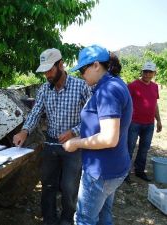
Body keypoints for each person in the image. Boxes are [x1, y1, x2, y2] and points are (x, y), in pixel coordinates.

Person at [13, 48, 91, 225]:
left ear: (61, 65)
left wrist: (73, 132)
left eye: (50, 70)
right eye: (45, 71)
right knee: (48, 184)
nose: (47, 75)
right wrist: (24, 131)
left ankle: (66, 219)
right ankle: (49, 219)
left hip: (74, 145)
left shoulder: (81, 87)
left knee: (69, 187)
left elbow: (93, 117)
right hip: (51, 144)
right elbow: (35, 113)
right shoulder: (44, 90)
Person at [62, 45, 133, 225]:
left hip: (101, 172)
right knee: (103, 215)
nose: (81, 75)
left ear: (95, 65)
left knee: (84, 219)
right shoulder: (114, 84)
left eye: (83, 70)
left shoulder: (107, 91)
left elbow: (109, 138)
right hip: (113, 167)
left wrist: (76, 143)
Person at [127, 61, 162, 182]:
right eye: (145, 72)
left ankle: (139, 171)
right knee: (129, 148)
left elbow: (155, 104)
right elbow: (125, 103)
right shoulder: (132, 86)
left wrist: (158, 120)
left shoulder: (155, 86)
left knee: (144, 149)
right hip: (134, 122)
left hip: (149, 124)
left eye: (150, 72)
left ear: (154, 73)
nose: (147, 74)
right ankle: (125, 173)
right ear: (142, 72)